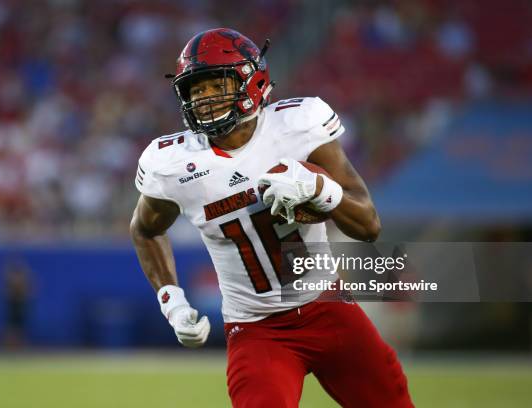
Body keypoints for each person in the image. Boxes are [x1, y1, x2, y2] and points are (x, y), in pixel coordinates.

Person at [130, 28, 413, 407]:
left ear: (253, 81)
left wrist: (317, 189)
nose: (205, 100)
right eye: (196, 91)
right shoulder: (172, 164)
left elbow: (367, 227)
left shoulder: (299, 125)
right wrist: (172, 302)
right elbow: (145, 230)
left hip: (330, 308)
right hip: (257, 329)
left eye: (217, 85)